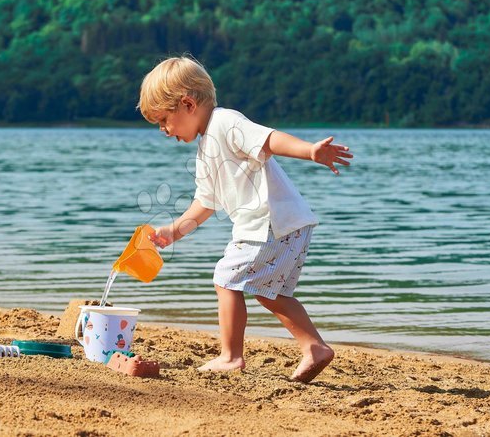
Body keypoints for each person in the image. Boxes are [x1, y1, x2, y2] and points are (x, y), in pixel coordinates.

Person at [136, 56, 353, 382]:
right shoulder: (205, 148)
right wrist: (174, 231)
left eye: (164, 120)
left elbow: (269, 139)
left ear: (187, 104)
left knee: (225, 278)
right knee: (270, 292)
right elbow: (205, 203)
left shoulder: (226, 123)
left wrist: (310, 151)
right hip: (284, 223)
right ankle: (314, 347)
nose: (164, 131)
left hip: (270, 221)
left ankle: (231, 356)